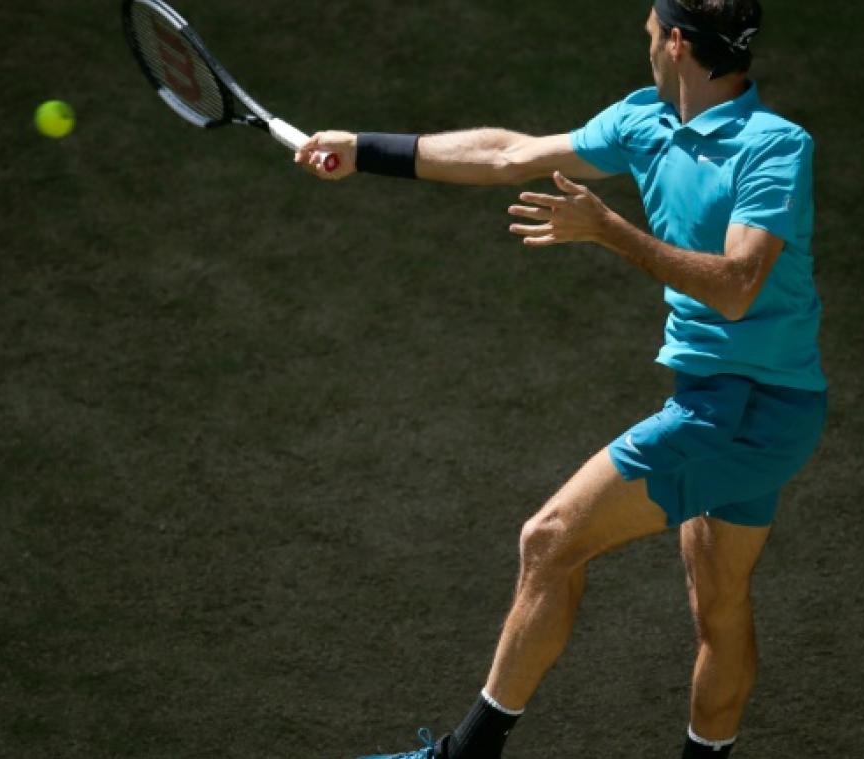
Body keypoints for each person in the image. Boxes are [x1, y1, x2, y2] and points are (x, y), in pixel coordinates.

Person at [294, 1, 825, 756]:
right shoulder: (645, 120)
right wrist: (365, 150)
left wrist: (608, 230)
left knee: (549, 539)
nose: (646, 44)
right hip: (734, 401)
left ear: (677, 42)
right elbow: (509, 154)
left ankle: (465, 755)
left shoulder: (774, 145)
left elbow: (738, 286)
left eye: (651, 33)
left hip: (745, 410)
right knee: (720, 605)